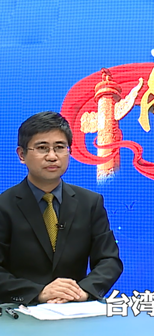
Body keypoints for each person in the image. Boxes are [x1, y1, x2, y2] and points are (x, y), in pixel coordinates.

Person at [0, 111, 122, 304]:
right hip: (20, 311)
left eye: (59, 147)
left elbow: (109, 260)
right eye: (42, 148)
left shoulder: (90, 202)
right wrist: (38, 292)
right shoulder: (4, 206)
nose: (52, 156)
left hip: (74, 309)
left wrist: (84, 291)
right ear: (22, 155)